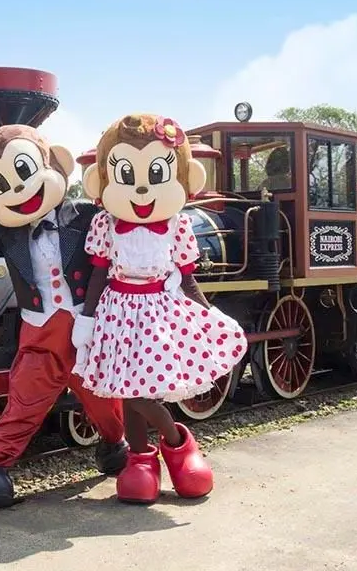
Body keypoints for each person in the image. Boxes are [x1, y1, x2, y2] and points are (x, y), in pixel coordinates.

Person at [0, 124, 128, 509]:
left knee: (101, 397)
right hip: (39, 332)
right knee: (24, 399)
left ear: (51, 164)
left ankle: (115, 444)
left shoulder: (85, 216)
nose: (19, 191)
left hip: (86, 328)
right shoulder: (7, 233)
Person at [72, 113, 248, 504]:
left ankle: (177, 445)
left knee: (140, 389)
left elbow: (186, 278)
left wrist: (208, 314)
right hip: (117, 313)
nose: (140, 188)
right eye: (125, 174)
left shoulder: (177, 226)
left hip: (159, 312)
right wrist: (86, 317)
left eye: (156, 173)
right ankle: (141, 461)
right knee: (127, 389)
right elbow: (99, 273)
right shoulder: (104, 224)